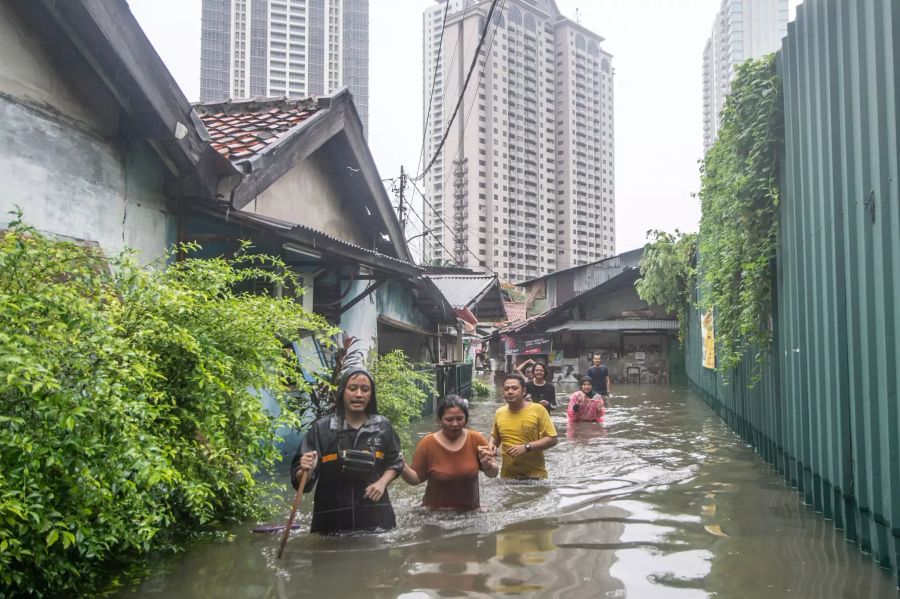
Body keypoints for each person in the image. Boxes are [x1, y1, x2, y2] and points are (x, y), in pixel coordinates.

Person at [291, 367, 404, 534]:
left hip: (377, 521)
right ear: (342, 392)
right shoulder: (321, 429)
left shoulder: (383, 426)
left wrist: (382, 483)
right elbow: (301, 482)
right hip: (331, 524)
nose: (359, 394)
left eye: (365, 389)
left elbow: (396, 462)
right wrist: (306, 469)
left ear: (371, 395)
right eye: (352, 388)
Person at [401, 395, 499, 510]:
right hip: (435, 516)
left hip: (470, 514)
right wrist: (401, 465)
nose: (455, 424)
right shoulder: (427, 443)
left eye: (459, 418)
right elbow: (415, 479)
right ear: (439, 420)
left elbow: (493, 474)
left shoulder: (475, 439)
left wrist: (486, 465)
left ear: (466, 419)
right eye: (449, 419)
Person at [489, 373, 558, 479]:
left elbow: (552, 439)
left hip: (535, 478)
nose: (510, 392)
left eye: (514, 388)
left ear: (524, 391)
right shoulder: (499, 412)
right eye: (506, 389)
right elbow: (495, 437)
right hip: (508, 478)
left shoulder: (538, 410)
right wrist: (491, 445)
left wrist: (527, 447)